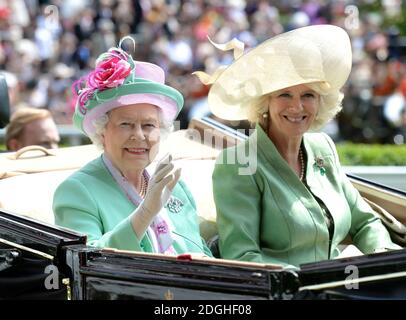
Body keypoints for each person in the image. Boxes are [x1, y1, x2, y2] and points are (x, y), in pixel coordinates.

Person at [196, 25, 401, 268]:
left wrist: (382, 255)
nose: (297, 107)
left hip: (341, 285)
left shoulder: (322, 147)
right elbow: (242, 257)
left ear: (320, 102)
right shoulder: (239, 163)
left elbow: (365, 222)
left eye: (308, 95)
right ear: (265, 102)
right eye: (284, 95)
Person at [53, 39, 212, 257]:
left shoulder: (175, 185)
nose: (139, 135)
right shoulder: (77, 191)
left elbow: (202, 251)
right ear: (102, 132)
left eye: (149, 125)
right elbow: (88, 261)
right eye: (126, 124)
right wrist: (146, 212)